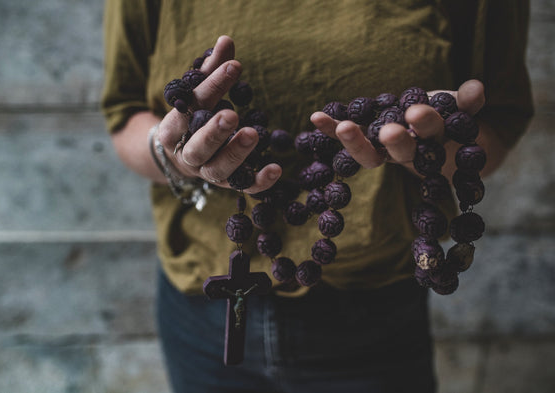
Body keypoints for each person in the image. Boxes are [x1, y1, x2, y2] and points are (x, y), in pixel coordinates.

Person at [100, 1, 533, 392]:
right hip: (201, 309)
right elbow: (124, 117)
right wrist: (172, 152)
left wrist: (434, 145)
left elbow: (493, 131)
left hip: (377, 314)